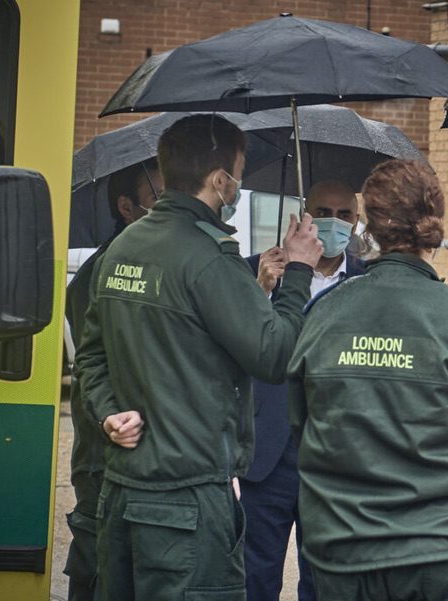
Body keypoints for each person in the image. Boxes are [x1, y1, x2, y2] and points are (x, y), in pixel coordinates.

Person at [74, 114, 322, 600]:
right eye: (238, 173)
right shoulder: (210, 256)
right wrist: (297, 273)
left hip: (121, 492)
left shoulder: (124, 247)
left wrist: (108, 414)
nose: (238, 184)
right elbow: (273, 355)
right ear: (219, 181)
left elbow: (91, 356)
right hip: (187, 501)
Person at [288, 159, 448, 601]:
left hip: (347, 548)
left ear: (368, 227)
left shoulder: (321, 316)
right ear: (434, 220)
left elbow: (303, 427)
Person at [241, 179, 365, 601]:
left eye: (344, 214)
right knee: (253, 577)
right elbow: (235, 348)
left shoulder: (369, 282)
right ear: (302, 217)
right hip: (270, 452)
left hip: (335, 454)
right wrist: (260, 290)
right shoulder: (257, 269)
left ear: (358, 221)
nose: (333, 223)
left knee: (325, 581)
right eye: (323, 213)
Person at [63, 158, 162, 601]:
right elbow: (98, 364)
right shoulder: (102, 270)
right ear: (126, 206)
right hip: (104, 450)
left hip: (141, 452)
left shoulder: (158, 263)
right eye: (159, 196)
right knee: (97, 563)